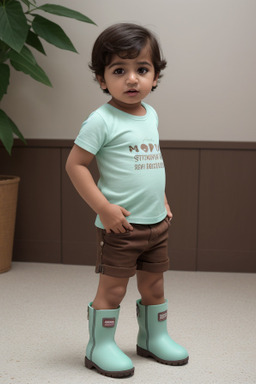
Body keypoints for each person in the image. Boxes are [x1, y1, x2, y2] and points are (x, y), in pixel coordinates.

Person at [66, 23, 189, 378]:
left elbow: (151, 164)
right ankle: (99, 346)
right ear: (102, 80)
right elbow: (75, 165)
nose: (132, 79)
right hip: (120, 226)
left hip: (156, 223)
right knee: (114, 287)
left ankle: (154, 337)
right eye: (119, 70)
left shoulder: (150, 115)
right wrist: (103, 208)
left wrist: (163, 199)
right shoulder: (101, 120)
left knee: (154, 284)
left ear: (155, 77)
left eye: (142, 69)